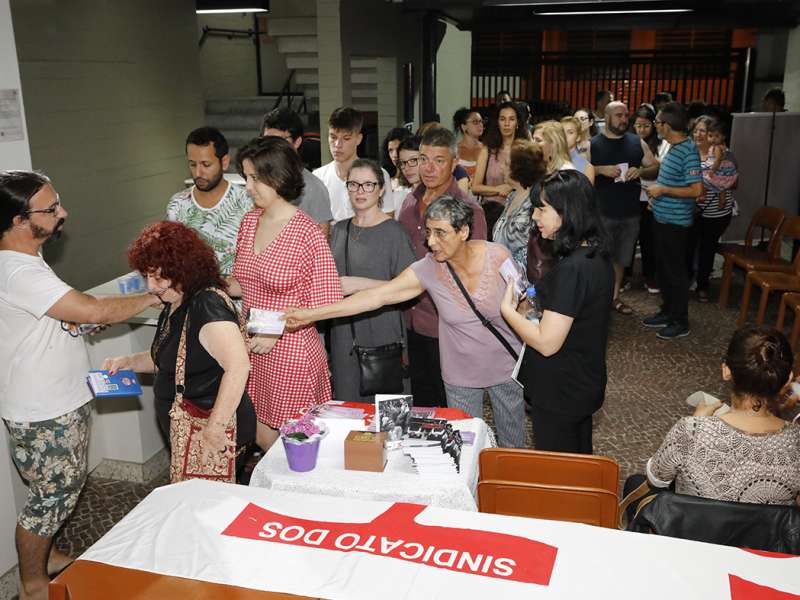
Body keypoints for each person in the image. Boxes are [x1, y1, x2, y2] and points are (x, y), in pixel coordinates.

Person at [0, 170, 160, 600]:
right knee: (50, 500)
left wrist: (68, 322)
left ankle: (48, 559)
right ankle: (33, 584)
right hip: (44, 411)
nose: (63, 212)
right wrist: (153, 295)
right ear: (18, 220)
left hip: (60, 400)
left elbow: (56, 315)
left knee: (58, 492)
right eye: (50, 209)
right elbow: (92, 310)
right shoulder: (18, 271)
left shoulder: (28, 259)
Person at [285, 196, 527, 448]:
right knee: (467, 446)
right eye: (429, 233)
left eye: (441, 233)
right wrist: (310, 314)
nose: (431, 242)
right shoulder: (428, 269)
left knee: (514, 445)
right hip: (461, 375)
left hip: (505, 367)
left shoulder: (498, 256)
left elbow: (523, 303)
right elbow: (376, 297)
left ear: (463, 231)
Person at [102, 221, 256, 477]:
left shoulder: (206, 305)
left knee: (208, 507)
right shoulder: (175, 300)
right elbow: (175, 359)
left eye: (158, 277)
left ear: (183, 270)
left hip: (210, 427)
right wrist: (129, 362)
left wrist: (214, 430)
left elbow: (238, 366)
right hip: (191, 426)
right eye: (146, 276)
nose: (151, 286)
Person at [231, 137, 342, 450]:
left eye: (255, 178)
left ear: (278, 177)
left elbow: (327, 302)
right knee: (260, 434)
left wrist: (277, 329)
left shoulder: (306, 232)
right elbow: (246, 283)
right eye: (246, 178)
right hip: (253, 348)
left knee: (299, 445)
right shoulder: (249, 221)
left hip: (292, 352)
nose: (248, 187)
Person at [500, 170, 614, 454]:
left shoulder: (574, 268)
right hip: (581, 380)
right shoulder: (595, 255)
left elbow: (547, 342)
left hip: (561, 389)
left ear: (568, 212)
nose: (535, 216)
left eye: (541, 208)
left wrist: (508, 311)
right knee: (577, 459)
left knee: (557, 471)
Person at [646, 326, 800, 504]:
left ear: (726, 370)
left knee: (634, 483)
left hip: (692, 530)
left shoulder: (691, 430)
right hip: (762, 532)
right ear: (788, 378)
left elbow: (656, 479)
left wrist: (698, 422)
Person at [397, 127, 488, 408]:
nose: (428, 168)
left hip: (446, 326)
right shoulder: (411, 200)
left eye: (438, 160)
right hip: (409, 320)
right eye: (423, 159)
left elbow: (477, 273)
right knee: (420, 404)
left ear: (454, 163)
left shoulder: (468, 210)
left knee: (450, 409)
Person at [328, 159, 415, 402]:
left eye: (368, 185)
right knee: (349, 403)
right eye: (353, 184)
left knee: (386, 407)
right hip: (344, 329)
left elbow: (410, 287)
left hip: (382, 328)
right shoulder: (339, 230)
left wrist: (359, 284)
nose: (360, 191)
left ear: (381, 189)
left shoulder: (394, 233)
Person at [591, 101, 659, 315]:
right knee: (598, 259)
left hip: (629, 214)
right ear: (607, 117)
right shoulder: (592, 144)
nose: (624, 119)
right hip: (600, 214)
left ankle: (614, 298)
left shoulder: (636, 142)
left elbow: (655, 167)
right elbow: (576, 171)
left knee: (621, 259)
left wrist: (640, 171)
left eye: (626, 115)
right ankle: (594, 301)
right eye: (619, 115)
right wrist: (600, 170)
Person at [643, 102, 703, 340]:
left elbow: (696, 190)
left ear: (667, 126)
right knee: (664, 270)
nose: (656, 125)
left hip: (676, 224)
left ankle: (680, 320)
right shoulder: (674, 147)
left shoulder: (688, 151)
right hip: (662, 217)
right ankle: (667, 311)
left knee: (675, 273)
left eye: (657, 122)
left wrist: (663, 190)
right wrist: (656, 198)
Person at [166, 127, 252, 276]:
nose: (198, 173)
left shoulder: (247, 203)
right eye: (192, 164)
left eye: (206, 165)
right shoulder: (177, 205)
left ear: (224, 162)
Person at [313, 107, 396, 222]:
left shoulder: (379, 175)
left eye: (346, 138)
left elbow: (387, 221)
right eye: (333, 137)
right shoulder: (318, 177)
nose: (337, 145)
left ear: (359, 139)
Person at [261, 107, 334, 237]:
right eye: (267, 140)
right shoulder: (256, 182)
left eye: (281, 140)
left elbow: (321, 244)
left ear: (297, 142)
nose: (272, 147)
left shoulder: (313, 187)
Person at [691, 117, 738, 303]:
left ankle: (702, 285)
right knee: (690, 245)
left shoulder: (727, 154)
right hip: (693, 209)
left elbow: (734, 181)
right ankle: (690, 279)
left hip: (716, 212)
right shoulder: (690, 152)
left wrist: (715, 184)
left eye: (705, 131)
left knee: (707, 248)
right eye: (697, 130)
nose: (700, 135)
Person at [473, 101, 529, 236]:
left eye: (511, 119)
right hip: (490, 212)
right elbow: (476, 187)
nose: (507, 124)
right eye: (502, 119)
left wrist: (511, 187)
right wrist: (498, 189)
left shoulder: (525, 149)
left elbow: (530, 183)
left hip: (518, 214)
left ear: (517, 123)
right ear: (497, 122)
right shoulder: (487, 149)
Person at [492, 139, 547, 269]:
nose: (501, 168)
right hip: (505, 270)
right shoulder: (512, 196)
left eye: (506, 164)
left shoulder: (533, 202)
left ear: (518, 170)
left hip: (524, 276)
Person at [632, 105, 667, 294]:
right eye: (638, 125)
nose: (641, 130)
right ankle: (626, 276)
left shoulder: (660, 145)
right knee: (630, 238)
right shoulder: (629, 142)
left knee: (648, 239)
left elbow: (659, 169)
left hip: (650, 198)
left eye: (646, 125)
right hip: (632, 196)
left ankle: (649, 275)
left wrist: (641, 171)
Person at [560, 116, 595, 184]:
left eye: (570, 132)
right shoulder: (549, 161)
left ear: (578, 137)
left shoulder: (587, 167)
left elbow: (586, 193)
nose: (564, 135)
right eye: (562, 132)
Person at [453, 107, 485, 181]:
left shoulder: (487, 149)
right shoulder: (454, 150)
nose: (480, 125)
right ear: (464, 127)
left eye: (481, 121)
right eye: (475, 122)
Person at [381, 126, 412, 190]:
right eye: (390, 150)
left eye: (398, 149)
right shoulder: (384, 177)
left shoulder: (415, 179)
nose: (394, 155)